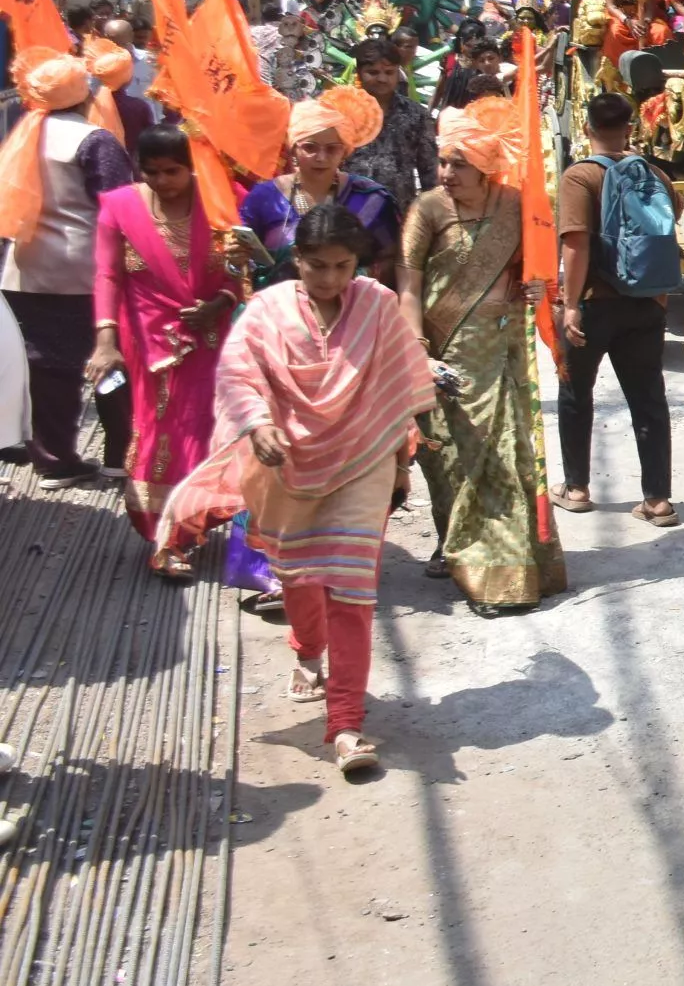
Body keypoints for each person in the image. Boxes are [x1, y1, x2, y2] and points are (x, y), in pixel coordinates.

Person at [157, 203, 439, 778]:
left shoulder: (378, 307)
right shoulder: (266, 310)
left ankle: (346, 724)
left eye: (341, 266)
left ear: (358, 262)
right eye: (316, 266)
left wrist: (400, 458)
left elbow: (398, 381)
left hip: (362, 463)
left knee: (352, 592)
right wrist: (258, 425)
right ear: (296, 260)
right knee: (300, 577)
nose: (330, 279)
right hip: (284, 463)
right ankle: (306, 649)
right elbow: (238, 375)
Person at [399, 100, 565, 615]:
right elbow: (409, 284)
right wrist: (416, 352)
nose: (445, 173)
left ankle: (498, 572)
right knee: (448, 460)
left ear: (485, 165)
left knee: (501, 461)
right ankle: (457, 549)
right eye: (442, 162)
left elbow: (536, 267)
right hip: (443, 355)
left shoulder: (518, 204)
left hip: (502, 351)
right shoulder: (426, 209)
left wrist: (537, 288)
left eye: (458, 164)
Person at [88, 126, 245, 570]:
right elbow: (107, 276)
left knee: (206, 429)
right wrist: (105, 342)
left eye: (172, 171)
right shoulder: (119, 207)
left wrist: (221, 302)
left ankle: (186, 527)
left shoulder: (222, 199)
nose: (161, 181)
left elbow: (240, 268)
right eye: (150, 171)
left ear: (193, 168)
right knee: (158, 434)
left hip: (212, 339)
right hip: (147, 342)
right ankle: (163, 537)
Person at [0, 50, 133, 488]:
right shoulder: (95, 140)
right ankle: (118, 458)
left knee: (45, 368)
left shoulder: (22, 135)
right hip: (86, 271)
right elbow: (119, 207)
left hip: (25, 268)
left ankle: (53, 459)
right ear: (82, 95)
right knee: (110, 361)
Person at [555, 90, 679, 524]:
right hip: (645, 305)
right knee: (648, 399)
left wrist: (570, 306)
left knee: (575, 394)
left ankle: (576, 487)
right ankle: (658, 500)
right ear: (631, 127)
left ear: (587, 127)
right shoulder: (655, 175)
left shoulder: (579, 177)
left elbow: (575, 246)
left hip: (593, 306)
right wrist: (659, 296)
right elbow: (668, 237)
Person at [240, 88, 403, 286]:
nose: (321, 157)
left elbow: (392, 258)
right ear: (293, 148)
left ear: (345, 151)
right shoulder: (264, 199)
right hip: (281, 310)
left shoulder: (371, 199)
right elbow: (244, 262)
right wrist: (236, 260)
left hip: (353, 309)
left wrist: (354, 277)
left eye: (332, 149)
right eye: (310, 147)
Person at [345, 36, 438, 213]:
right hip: (349, 211)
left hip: (399, 213)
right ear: (359, 72)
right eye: (373, 72)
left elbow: (430, 171)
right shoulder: (342, 112)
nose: (382, 79)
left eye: (389, 72)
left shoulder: (415, 114)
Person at [251, 2, 315, 101]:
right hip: (274, 89)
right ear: (281, 17)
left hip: (252, 82)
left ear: (262, 18)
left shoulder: (253, 31)